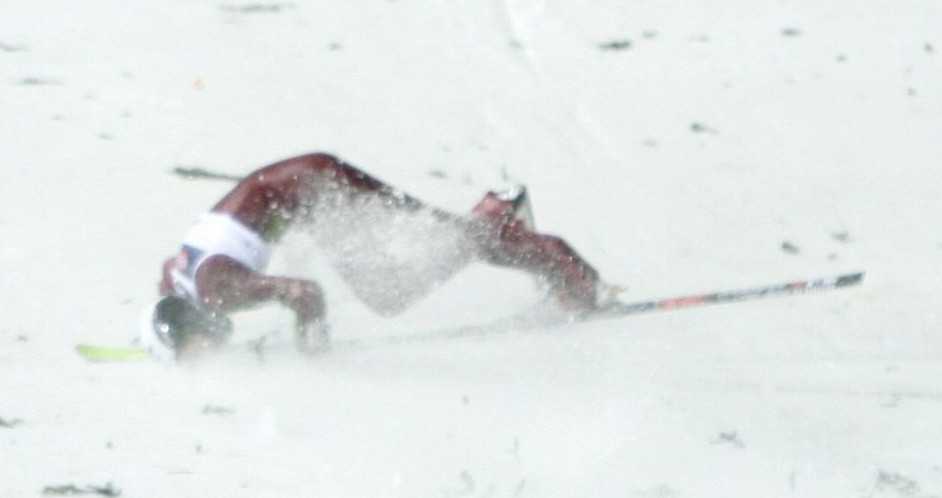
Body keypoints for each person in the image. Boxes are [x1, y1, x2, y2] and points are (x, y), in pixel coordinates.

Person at [143, 153, 603, 359]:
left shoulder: (215, 292)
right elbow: (170, 276)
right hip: (305, 188)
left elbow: (305, 294)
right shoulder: (182, 282)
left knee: (388, 292)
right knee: (402, 269)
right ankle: (496, 220)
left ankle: (552, 261)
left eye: (194, 354)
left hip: (311, 190)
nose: (207, 357)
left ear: (190, 325)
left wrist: (314, 349)